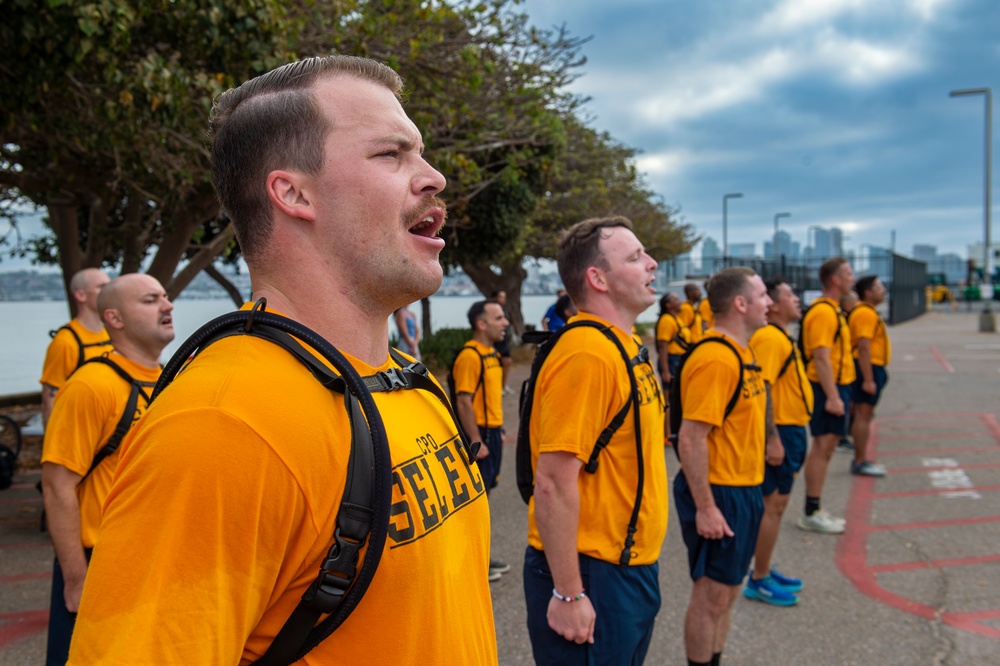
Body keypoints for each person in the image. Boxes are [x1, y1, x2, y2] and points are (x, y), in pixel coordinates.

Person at [68, 55, 497, 664]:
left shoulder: (410, 382)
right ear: (292, 193)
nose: (434, 178)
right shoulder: (223, 426)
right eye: (390, 154)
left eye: (421, 154)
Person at [523, 216, 666, 665]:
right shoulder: (587, 354)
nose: (652, 264)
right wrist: (568, 594)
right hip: (590, 571)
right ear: (597, 278)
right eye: (635, 257)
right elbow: (551, 481)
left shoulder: (621, 346)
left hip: (625, 567)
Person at [41, 273, 174, 664]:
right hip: (100, 563)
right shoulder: (90, 386)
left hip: (154, 558)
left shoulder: (172, 379)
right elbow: (56, 486)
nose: (167, 306)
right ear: (114, 319)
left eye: (165, 297)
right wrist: (76, 580)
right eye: (150, 301)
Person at [674, 266, 771, 666]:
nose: (769, 303)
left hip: (745, 488)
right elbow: (691, 437)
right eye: (763, 295)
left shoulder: (742, 351)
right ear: (741, 303)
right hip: (720, 491)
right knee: (712, 594)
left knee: (728, 591)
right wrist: (707, 506)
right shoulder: (716, 357)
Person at [743, 276, 813, 607]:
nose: (796, 299)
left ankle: (764, 567)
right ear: (772, 304)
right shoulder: (771, 337)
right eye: (789, 294)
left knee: (778, 505)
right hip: (781, 431)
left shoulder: (780, 335)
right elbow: (763, 387)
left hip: (791, 429)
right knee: (773, 505)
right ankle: (759, 579)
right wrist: (772, 438)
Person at [797, 258, 855, 535]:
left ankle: (816, 507)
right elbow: (821, 357)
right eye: (848, 273)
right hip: (825, 387)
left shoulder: (833, 310)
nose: (852, 278)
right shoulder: (823, 312)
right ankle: (811, 510)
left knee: (828, 447)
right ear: (835, 279)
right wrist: (833, 396)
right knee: (822, 447)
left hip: (835, 385)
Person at [453, 300, 510, 582]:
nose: (506, 323)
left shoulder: (492, 354)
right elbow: (463, 400)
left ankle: (481, 559)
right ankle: (472, 565)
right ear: (481, 324)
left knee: (485, 498)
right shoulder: (470, 356)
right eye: (499, 318)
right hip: (481, 434)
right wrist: (477, 439)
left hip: (493, 431)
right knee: (476, 501)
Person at [39, 268, 113, 425]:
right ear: (81, 295)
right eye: (101, 287)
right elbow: (50, 399)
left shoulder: (113, 334)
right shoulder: (65, 342)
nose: (109, 291)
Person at [848, 276, 890, 477]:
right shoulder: (865, 313)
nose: (883, 290)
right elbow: (864, 347)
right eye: (878, 287)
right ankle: (860, 461)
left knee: (863, 414)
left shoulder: (867, 312)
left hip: (871, 367)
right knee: (863, 416)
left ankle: (860, 458)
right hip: (868, 367)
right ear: (868, 293)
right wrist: (868, 379)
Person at [655, 291, 688, 442]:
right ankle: (667, 434)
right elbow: (662, 346)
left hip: (677, 361)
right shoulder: (667, 320)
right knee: (669, 400)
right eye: (675, 299)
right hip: (671, 361)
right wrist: (666, 371)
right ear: (668, 306)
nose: (680, 300)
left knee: (675, 400)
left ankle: (671, 431)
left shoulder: (676, 319)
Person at [492, 290, 514, 394]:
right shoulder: (491, 309)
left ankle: (504, 385)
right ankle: (498, 387)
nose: (503, 299)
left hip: (504, 340)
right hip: (496, 341)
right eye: (501, 297)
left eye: (504, 297)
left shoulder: (504, 309)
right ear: (495, 297)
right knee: (499, 363)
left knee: (508, 361)